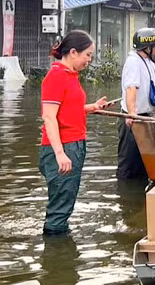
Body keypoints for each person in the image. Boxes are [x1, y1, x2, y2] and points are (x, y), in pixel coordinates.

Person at [40, 30, 110, 234]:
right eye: (87, 55)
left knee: (66, 201)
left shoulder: (71, 76)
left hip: (74, 145)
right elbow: (49, 117)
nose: (89, 60)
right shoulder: (56, 76)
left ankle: (59, 245)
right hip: (63, 148)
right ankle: (56, 252)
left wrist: (91, 107)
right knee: (60, 208)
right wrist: (60, 154)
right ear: (73, 52)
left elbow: (66, 109)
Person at [118, 28, 155, 180]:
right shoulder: (134, 62)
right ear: (147, 48)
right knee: (128, 163)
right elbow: (131, 88)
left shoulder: (149, 62)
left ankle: (141, 196)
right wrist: (131, 113)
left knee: (143, 162)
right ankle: (124, 196)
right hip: (133, 119)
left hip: (145, 116)